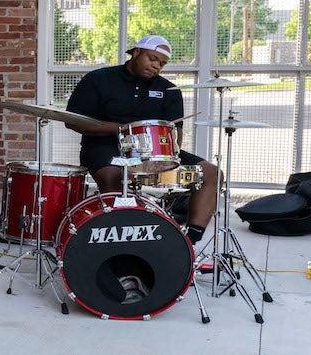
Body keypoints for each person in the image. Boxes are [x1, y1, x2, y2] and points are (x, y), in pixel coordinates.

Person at [64, 35, 219, 245]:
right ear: (136, 53)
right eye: (152, 58)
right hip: (104, 146)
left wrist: (165, 154)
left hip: (154, 149)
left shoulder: (169, 90)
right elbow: (73, 122)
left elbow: (176, 138)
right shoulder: (98, 79)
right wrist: (122, 129)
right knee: (114, 176)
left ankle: (188, 242)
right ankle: (116, 239)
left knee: (211, 173)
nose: (156, 66)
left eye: (162, 63)